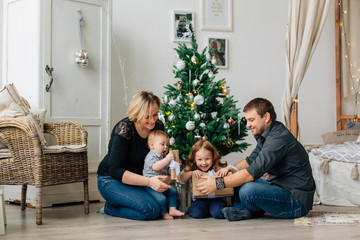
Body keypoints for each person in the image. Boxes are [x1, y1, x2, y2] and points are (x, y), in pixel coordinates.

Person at [196, 98, 316, 221]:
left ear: (266, 117)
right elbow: (251, 160)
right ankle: (246, 211)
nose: (248, 125)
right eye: (247, 120)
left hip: (295, 200)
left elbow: (252, 172)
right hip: (277, 187)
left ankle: (245, 210)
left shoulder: (278, 139)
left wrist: (218, 183)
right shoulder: (267, 134)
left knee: (247, 190)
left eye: (251, 120)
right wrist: (231, 168)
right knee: (237, 179)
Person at [97, 91, 172, 220]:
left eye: (155, 114)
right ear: (137, 114)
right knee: (150, 210)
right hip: (111, 179)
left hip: (140, 180)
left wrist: (167, 177)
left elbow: (161, 157)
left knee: (164, 204)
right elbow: (115, 170)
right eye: (147, 117)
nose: (153, 120)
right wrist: (149, 182)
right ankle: (110, 207)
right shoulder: (124, 129)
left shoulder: (158, 125)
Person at [179, 140, 238, 219]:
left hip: (217, 197)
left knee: (218, 213)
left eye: (207, 159)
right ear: (194, 159)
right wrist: (191, 173)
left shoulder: (217, 167)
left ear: (213, 158)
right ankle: (206, 210)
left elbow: (236, 171)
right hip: (200, 199)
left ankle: (213, 210)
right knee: (197, 213)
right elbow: (181, 179)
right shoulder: (192, 169)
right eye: (199, 160)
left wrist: (228, 169)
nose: (204, 163)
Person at [142, 130, 185, 220]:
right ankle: (164, 213)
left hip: (162, 183)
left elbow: (168, 170)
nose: (165, 147)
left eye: (167, 145)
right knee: (162, 199)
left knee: (173, 191)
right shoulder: (151, 156)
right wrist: (168, 159)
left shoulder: (164, 158)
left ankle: (172, 209)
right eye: (162, 144)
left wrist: (176, 165)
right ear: (152, 145)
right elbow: (156, 167)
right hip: (151, 185)